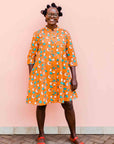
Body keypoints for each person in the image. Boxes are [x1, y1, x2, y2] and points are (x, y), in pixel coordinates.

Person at [26, 2, 84, 144]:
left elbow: (71, 56)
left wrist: (74, 78)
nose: (52, 16)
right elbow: (30, 57)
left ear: (58, 17)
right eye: (49, 14)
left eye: (55, 14)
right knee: (41, 104)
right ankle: (41, 135)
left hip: (62, 75)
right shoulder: (38, 34)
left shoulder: (65, 34)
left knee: (68, 104)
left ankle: (73, 135)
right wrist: (32, 76)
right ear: (45, 16)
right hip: (42, 75)